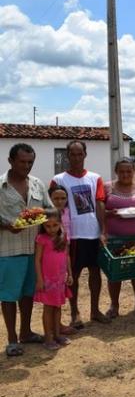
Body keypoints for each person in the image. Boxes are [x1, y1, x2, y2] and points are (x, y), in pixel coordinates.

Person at [0, 143, 52, 356]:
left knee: (28, 294)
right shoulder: (0, 186)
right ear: (10, 161)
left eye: (30, 162)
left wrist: (47, 217)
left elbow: (49, 210)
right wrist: (6, 225)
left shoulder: (38, 184)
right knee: (9, 295)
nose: (27, 166)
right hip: (8, 250)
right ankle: (12, 339)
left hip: (35, 250)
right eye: (22, 162)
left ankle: (26, 332)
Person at [51, 140, 109, 327]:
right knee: (72, 275)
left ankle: (95, 310)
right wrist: (59, 233)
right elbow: (53, 208)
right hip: (71, 236)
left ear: (85, 155)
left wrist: (102, 231)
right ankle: (74, 313)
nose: (76, 158)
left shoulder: (95, 178)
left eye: (79, 154)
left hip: (92, 233)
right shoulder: (58, 180)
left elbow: (100, 204)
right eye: (72, 154)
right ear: (67, 155)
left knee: (95, 272)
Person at [104, 158, 135, 318]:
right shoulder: (107, 187)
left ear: (134, 171)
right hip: (114, 237)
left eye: (129, 171)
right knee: (115, 272)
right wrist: (109, 213)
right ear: (116, 172)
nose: (125, 174)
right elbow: (99, 211)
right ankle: (114, 305)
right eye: (122, 171)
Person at [33, 209, 73, 350]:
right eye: (47, 226)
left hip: (60, 279)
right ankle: (48, 338)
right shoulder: (41, 239)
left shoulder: (63, 237)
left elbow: (67, 256)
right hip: (48, 280)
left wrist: (70, 274)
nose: (51, 229)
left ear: (60, 223)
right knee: (48, 308)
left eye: (55, 225)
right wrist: (39, 279)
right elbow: (37, 260)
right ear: (43, 226)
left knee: (58, 306)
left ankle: (57, 334)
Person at [48, 184, 77, 335]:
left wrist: (69, 270)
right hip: (50, 259)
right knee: (51, 297)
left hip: (63, 254)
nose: (60, 201)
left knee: (59, 293)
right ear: (50, 198)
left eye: (63, 198)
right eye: (56, 198)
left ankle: (57, 325)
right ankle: (53, 327)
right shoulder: (46, 215)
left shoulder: (67, 212)